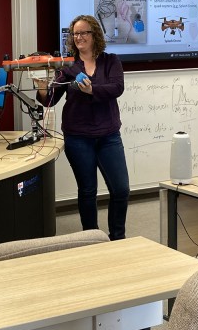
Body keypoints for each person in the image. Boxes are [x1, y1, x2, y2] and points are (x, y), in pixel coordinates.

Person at [35, 14, 129, 240]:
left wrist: (91, 90)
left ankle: (118, 238)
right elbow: (50, 100)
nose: (78, 37)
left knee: (121, 190)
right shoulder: (67, 67)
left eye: (83, 32)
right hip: (78, 137)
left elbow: (116, 88)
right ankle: (92, 239)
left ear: (94, 34)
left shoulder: (111, 61)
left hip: (108, 136)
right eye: (75, 34)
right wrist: (41, 88)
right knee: (87, 191)